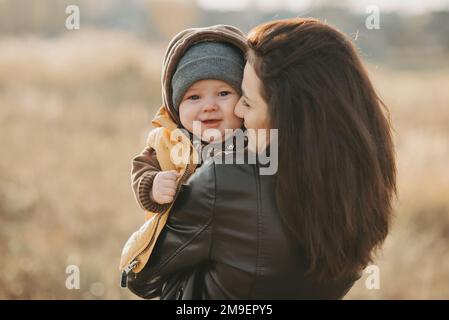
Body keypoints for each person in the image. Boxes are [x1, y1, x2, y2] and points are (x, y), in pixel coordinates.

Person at [126, 18, 397, 299]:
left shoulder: (226, 180)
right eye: (193, 97)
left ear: (285, 113)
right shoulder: (359, 186)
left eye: (244, 99)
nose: (239, 111)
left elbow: (141, 276)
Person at [124, 25, 246, 275]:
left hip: (236, 249)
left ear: (244, 100)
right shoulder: (167, 141)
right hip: (182, 249)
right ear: (175, 105)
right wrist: (153, 185)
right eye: (194, 98)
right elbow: (141, 169)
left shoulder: (252, 140)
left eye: (224, 93)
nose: (209, 106)